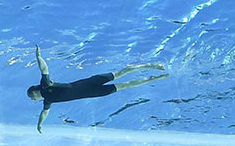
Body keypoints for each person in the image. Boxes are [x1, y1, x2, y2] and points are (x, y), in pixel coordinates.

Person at [26, 45, 168, 132]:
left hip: (91, 87)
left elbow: (43, 68)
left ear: (34, 91)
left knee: (121, 79)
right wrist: (40, 124)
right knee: (122, 81)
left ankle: (150, 66)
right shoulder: (47, 100)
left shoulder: (45, 85)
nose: (33, 100)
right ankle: (152, 77)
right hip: (92, 89)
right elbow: (43, 114)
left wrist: (38, 56)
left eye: (32, 97)